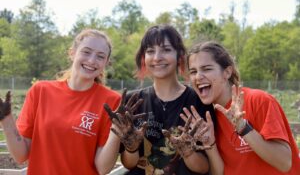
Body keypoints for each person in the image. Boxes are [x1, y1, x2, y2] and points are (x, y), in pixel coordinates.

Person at [0, 29, 130, 175]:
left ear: (106, 62)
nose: (92, 60)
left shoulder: (111, 101)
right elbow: (20, 155)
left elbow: (102, 168)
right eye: (86, 52)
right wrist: (6, 119)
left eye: (100, 56)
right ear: (72, 53)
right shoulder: (41, 91)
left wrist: (117, 132)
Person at [183, 41, 300, 175]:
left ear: (227, 72)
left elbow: (285, 163)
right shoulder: (208, 117)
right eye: (193, 71)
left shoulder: (258, 100)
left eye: (207, 69)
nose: (198, 76)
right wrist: (211, 145)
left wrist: (243, 128)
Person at [119, 24, 216, 175]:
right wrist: (131, 147)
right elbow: (128, 164)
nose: (157, 58)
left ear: (180, 56)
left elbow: (204, 168)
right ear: (144, 58)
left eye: (166, 49)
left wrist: (188, 152)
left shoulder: (199, 101)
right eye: (151, 51)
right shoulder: (133, 101)